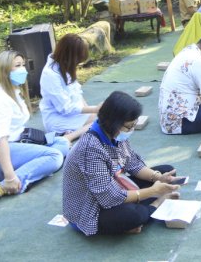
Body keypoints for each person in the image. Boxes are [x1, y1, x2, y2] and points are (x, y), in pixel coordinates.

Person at [62, 91, 181, 236]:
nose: (131, 130)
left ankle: (142, 212)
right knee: (133, 216)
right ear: (114, 123)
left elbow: (133, 163)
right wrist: (154, 192)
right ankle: (156, 205)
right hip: (91, 208)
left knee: (166, 171)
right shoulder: (90, 148)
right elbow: (109, 197)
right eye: (129, 126)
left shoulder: (114, 133)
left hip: (117, 185)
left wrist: (158, 178)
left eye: (133, 125)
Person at [0, 51, 70, 211]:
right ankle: (2, 187)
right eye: (17, 66)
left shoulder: (13, 91)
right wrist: (10, 177)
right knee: (55, 156)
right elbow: (0, 140)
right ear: (3, 70)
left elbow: (17, 131)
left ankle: (34, 169)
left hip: (12, 146)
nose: (23, 69)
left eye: (23, 65)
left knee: (62, 143)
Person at [40, 33, 100, 142]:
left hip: (73, 114)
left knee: (105, 116)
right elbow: (65, 109)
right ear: (69, 56)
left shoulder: (64, 65)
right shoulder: (50, 75)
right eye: (77, 61)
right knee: (104, 121)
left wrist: (91, 111)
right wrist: (94, 110)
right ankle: (69, 136)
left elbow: (77, 93)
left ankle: (72, 132)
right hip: (58, 118)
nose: (77, 64)